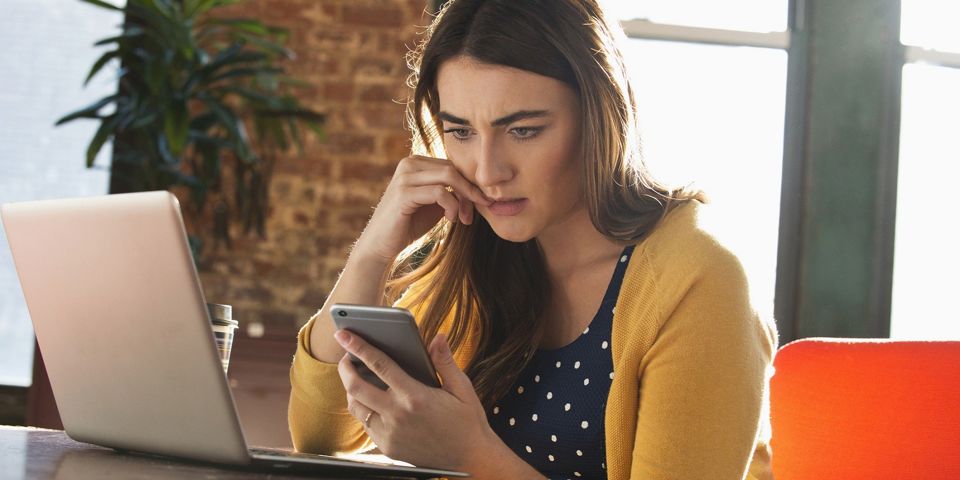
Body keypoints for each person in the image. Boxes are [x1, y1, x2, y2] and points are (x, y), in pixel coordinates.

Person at [288, 0, 779, 478]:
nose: (486, 170)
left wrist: (470, 457)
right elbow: (318, 437)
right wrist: (373, 252)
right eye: (460, 132)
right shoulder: (484, 253)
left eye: (523, 130)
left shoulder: (701, 279)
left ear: (600, 117)